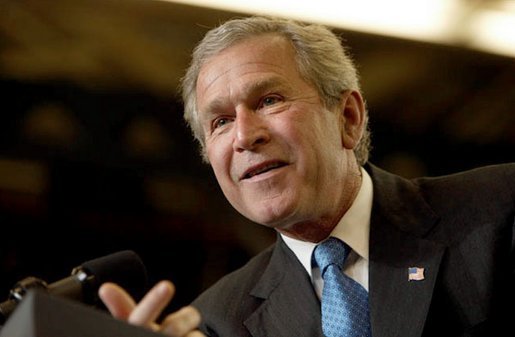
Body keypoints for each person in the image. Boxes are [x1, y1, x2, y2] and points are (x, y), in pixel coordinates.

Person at [98, 15, 515, 337]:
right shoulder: (215, 321)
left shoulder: (499, 210)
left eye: (269, 100)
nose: (244, 136)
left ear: (348, 118)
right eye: (220, 122)